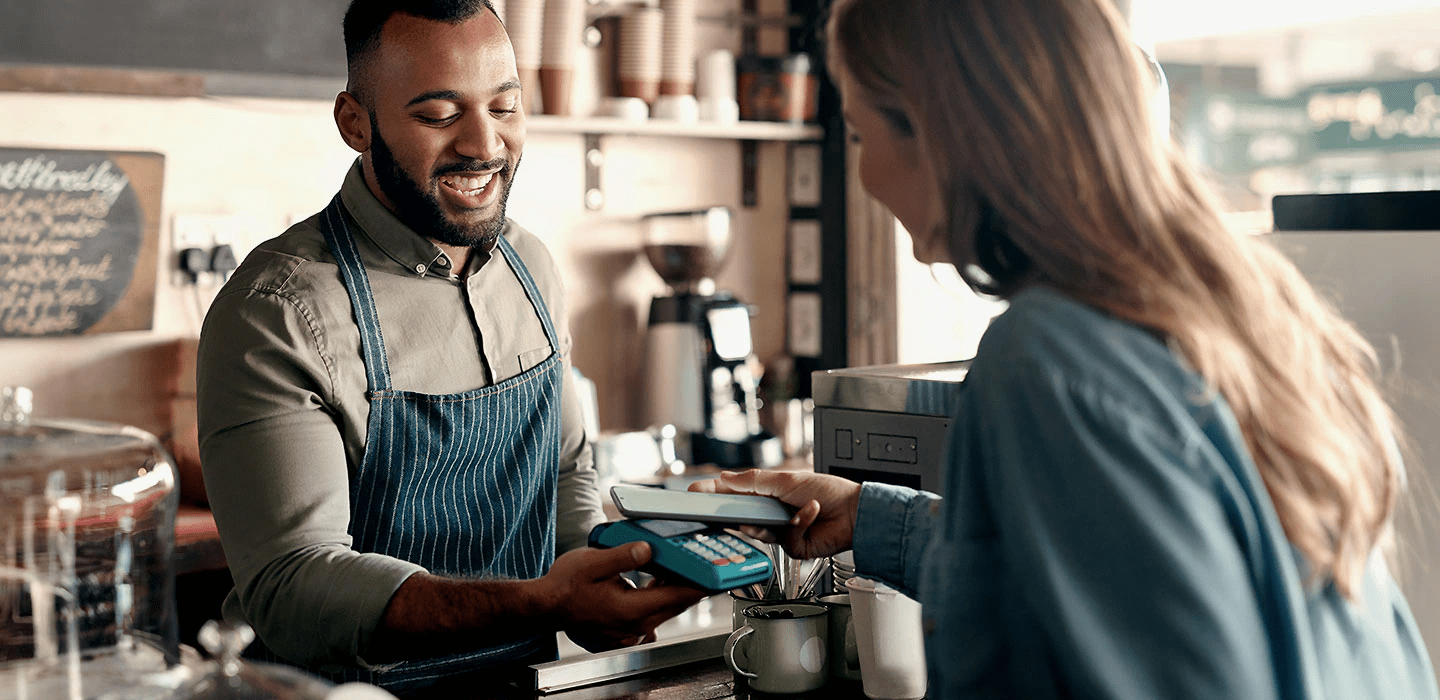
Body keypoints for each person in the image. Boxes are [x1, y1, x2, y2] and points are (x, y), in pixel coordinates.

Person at [693, 0, 1440, 698]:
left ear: (944, 133)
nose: (864, 171)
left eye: (862, 134)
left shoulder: (1046, 360)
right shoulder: (1242, 303)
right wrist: (872, 518)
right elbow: (1125, 580)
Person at [195, 0, 706, 692]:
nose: (484, 145)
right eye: (440, 115)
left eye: (504, 107)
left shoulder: (533, 268)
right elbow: (294, 585)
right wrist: (544, 602)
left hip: (521, 684)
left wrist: (614, 567)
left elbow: (563, 476)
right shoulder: (279, 311)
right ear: (355, 122)